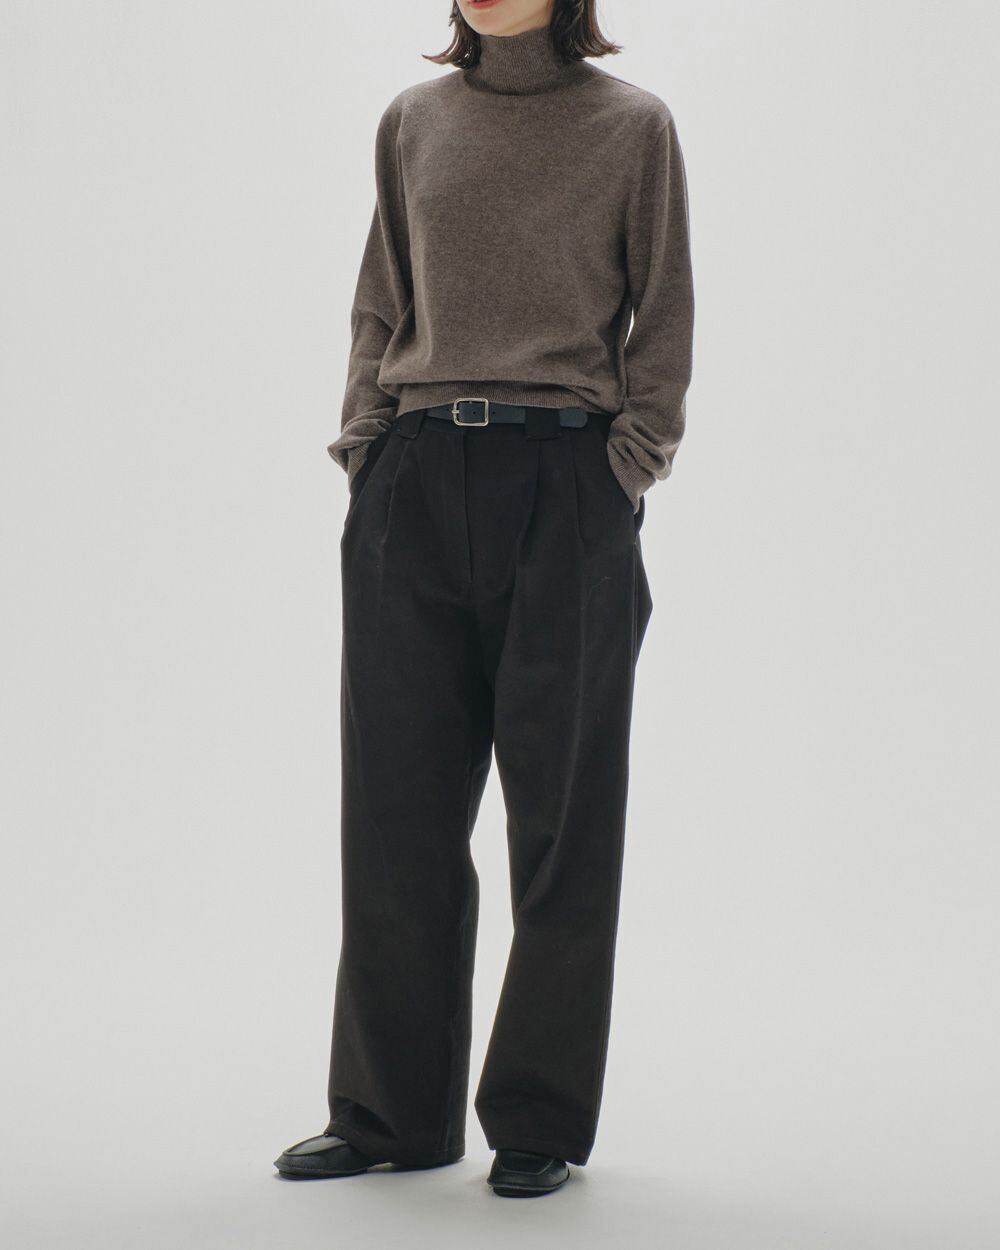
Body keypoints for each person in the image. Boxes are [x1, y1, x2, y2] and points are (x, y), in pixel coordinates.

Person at [275, 0, 694, 1198]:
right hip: (413, 479)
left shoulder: (633, 127)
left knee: (562, 821)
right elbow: (380, 300)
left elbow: (662, 317)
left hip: (567, 483)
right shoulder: (413, 122)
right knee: (394, 813)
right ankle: (388, 1112)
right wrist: (366, 448)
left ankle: (537, 1113)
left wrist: (624, 468)